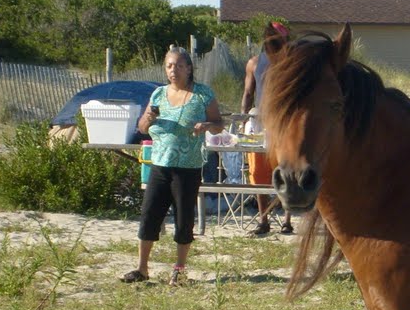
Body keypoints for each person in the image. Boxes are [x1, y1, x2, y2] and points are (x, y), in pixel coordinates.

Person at [121, 45, 224, 286]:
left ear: (189, 68)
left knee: (183, 219)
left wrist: (206, 126)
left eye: (178, 65)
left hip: (188, 167)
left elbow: (219, 124)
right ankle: (142, 268)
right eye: (169, 66)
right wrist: (147, 119)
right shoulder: (158, 95)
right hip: (160, 163)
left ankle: (179, 270)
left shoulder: (202, 94)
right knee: (149, 216)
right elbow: (142, 128)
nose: (173, 70)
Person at [242, 22, 293, 235]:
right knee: (258, 172)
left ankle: (287, 220)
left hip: (284, 124)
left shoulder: (290, 62)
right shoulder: (254, 64)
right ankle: (263, 220)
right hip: (261, 124)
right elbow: (247, 94)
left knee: (287, 171)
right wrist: (242, 119)